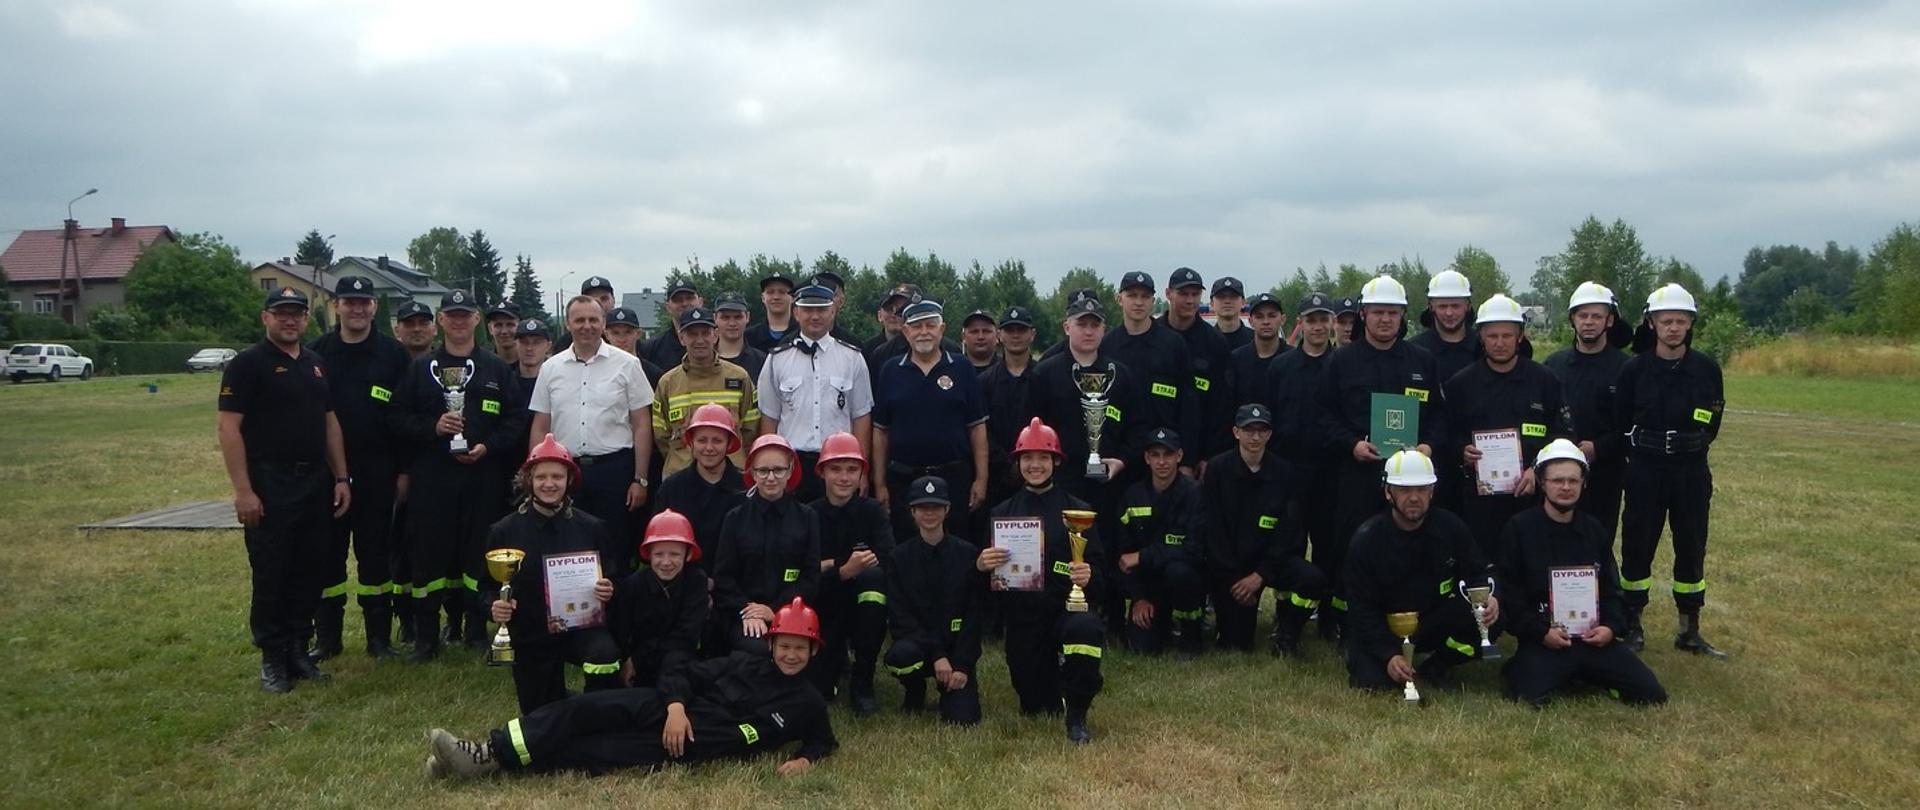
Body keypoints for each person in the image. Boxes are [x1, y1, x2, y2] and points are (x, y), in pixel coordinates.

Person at [424, 597, 836, 780]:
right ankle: (489, 750)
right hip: (663, 708)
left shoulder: (808, 702)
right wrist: (675, 707)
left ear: (814, 651)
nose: (791, 655)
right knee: (582, 711)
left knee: (591, 753)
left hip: (688, 745)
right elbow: (687, 675)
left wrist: (805, 760)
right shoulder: (745, 662)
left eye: (800, 648)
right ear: (771, 644)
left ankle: (483, 764)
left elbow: (823, 742)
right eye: (785, 646)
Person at [218, 287, 353, 692]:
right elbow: (228, 428)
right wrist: (244, 490)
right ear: (265, 318)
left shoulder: (314, 363)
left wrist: (342, 477)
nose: (290, 320)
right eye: (282, 313)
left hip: (314, 480)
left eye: (297, 313)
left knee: (309, 568)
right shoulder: (248, 364)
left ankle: (298, 648)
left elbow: (330, 424)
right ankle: (272, 658)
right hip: (270, 481)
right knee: (272, 571)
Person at [389, 288, 528, 660]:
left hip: (483, 476)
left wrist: (489, 446)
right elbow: (397, 418)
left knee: (478, 555)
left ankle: (476, 631)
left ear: (477, 319)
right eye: (452, 315)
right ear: (441, 321)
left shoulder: (496, 369)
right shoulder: (421, 370)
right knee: (429, 556)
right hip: (433, 477)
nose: (459, 321)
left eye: (466, 314)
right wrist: (432, 428)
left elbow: (516, 420)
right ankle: (427, 637)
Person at [1316, 275, 1445, 637]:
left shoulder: (1423, 361)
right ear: (1363, 315)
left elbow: (1439, 415)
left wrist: (1428, 448)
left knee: (1408, 548)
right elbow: (1324, 415)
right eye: (1377, 313)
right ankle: (1347, 624)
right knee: (1352, 546)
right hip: (1359, 473)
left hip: (1411, 480)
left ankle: (1404, 622)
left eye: (1392, 312)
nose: (1385, 319)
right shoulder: (1341, 362)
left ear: (1403, 315)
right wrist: (1351, 444)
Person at [1497, 440, 1668, 707]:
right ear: (1542, 483)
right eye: (1557, 480)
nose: (1566, 487)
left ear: (1583, 484)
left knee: (1651, 694)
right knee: (1524, 692)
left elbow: (1612, 590)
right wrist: (1540, 632)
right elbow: (1511, 594)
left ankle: (1586, 674)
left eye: (1573, 481)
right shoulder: (1519, 529)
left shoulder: (1594, 530)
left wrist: (1610, 628)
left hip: (1592, 641)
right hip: (1544, 641)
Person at [1615, 283, 1728, 659]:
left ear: (1690, 324)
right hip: (1646, 472)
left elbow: (1712, 419)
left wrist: (1692, 443)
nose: (1674, 328)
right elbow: (1621, 420)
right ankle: (1632, 625)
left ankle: (1689, 628)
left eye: (1681, 321)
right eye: (1667, 321)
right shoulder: (1634, 370)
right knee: (1637, 547)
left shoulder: (1706, 369)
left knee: (1692, 545)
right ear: (1652, 323)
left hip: (1690, 473)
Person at [980, 418, 1106, 743]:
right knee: (1036, 706)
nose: (1035, 465)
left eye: (1043, 458)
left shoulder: (1079, 511)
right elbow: (989, 588)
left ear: (1056, 462)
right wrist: (983, 565)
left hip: (1067, 610)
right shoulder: (1002, 514)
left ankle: (1077, 714)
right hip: (1025, 619)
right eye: (1027, 458)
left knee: (1085, 630)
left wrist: (1089, 574)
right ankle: (1055, 682)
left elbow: (1102, 572)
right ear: (1018, 462)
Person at [305, 276, 410, 662]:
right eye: (349, 302)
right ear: (336, 306)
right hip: (328, 473)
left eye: (364, 302)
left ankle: (379, 639)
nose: (357, 308)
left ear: (374, 308)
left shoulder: (392, 354)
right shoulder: (315, 354)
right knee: (326, 556)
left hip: (379, 470)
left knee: (375, 556)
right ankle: (328, 638)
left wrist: (403, 472)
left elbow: (404, 417)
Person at [487, 435, 623, 713]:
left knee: (604, 655)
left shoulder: (593, 528)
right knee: (542, 714)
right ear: (528, 481)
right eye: (541, 477)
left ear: (569, 481)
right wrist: (493, 607)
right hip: (531, 632)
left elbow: (615, 576)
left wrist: (610, 589)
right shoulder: (504, 531)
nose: (549, 484)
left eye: (557, 477)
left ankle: (599, 715)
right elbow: (482, 588)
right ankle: (563, 703)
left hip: (582, 629)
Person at [1344, 450, 1498, 696]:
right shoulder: (1366, 540)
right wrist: (1388, 655)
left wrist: (1491, 599)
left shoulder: (1451, 528)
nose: (1414, 498)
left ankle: (1438, 665)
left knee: (1490, 618)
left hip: (1429, 622)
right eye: (1405, 490)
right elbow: (1361, 608)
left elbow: (1477, 573)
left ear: (1432, 491)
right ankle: (1388, 660)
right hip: (1382, 626)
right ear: (1388, 492)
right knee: (1376, 685)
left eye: (1421, 489)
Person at [528, 296, 656, 578]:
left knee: (615, 548)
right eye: (579, 320)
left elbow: (642, 425)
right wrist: (534, 473)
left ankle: (615, 619)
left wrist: (640, 478)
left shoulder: (628, 364)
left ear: (603, 323)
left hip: (615, 471)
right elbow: (540, 424)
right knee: (565, 546)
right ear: (567, 323)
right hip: (565, 472)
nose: (587, 326)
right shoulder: (551, 368)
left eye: (593, 320)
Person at [1443, 294, 1574, 558]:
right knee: (1483, 561)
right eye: (1493, 336)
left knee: (1530, 560)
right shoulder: (1461, 384)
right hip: (1478, 500)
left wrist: (1537, 468)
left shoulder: (1545, 380)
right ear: (1481, 336)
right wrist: (1461, 449)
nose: (1500, 343)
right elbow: (1445, 432)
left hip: (1530, 495)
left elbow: (1563, 434)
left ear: (1520, 336)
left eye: (1507, 335)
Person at [1201, 404, 1328, 657]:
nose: (1255, 437)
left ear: (1270, 434)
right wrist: (1236, 579)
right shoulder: (1217, 470)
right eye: (1249, 430)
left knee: (1313, 579)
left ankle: (1287, 633)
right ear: (1236, 432)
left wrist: (1260, 575)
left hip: (1269, 564)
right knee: (1236, 643)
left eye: (1262, 430)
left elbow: (1289, 532)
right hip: (1231, 569)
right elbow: (1213, 532)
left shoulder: (1285, 473)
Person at [872, 298, 989, 538]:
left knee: (956, 547)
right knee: (906, 548)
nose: (923, 332)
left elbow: (977, 429)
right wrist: (880, 483)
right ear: (905, 331)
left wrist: (981, 479)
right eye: (916, 326)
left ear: (942, 329)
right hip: (904, 478)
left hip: (953, 477)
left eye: (930, 325)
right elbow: (881, 432)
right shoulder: (891, 370)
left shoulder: (962, 367)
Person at [755, 283, 873, 504]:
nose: (815, 316)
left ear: (832, 311)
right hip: (792, 463)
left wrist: (862, 470)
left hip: (839, 464)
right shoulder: (777, 359)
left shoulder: (853, 358)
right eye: (808, 310)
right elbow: (769, 418)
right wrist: (770, 464)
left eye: (821, 309)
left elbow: (861, 416)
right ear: (796, 313)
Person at [1266, 292, 1340, 641]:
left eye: (1324, 319)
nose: (1318, 326)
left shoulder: (1342, 364)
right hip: (1289, 471)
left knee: (1329, 545)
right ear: (1301, 323)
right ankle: (1287, 618)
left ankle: (1329, 617)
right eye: (1311, 320)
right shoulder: (1280, 367)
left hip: (1330, 472)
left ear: (1332, 323)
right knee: (1288, 546)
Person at [884, 476, 984, 725]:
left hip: (956, 649)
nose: (930, 514)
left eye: (936, 507)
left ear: (947, 509)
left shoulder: (968, 554)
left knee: (963, 720)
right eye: (923, 508)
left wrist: (961, 664)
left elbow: (974, 614)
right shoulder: (898, 558)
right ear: (912, 512)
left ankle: (950, 689)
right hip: (919, 647)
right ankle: (914, 689)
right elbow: (900, 617)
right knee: (901, 655)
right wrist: (937, 654)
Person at [712, 434, 823, 653]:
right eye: (763, 471)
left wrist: (775, 611)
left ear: (790, 471)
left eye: (778, 470)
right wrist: (747, 611)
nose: (771, 478)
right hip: (743, 614)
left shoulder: (807, 517)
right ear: (752, 473)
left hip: (793, 611)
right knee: (759, 651)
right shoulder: (735, 518)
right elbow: (723, 577)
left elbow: (811, 577)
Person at [807, 432, 893, 714]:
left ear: (861, 475)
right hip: (822, 606)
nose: (844, 477)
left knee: (874, 581)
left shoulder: (873, 512)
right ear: (822, 473)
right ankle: (834, 663)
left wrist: (830, 565)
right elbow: (805, 570)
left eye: (852, 470)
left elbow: (886, 558)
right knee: (821, 691)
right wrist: (844, 569)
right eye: (836, 469)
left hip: (863, 605)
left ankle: (863, 680)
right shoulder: (808, 515)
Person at [1541, 282, 1632, 544]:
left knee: (1597, 539)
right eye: (1583, 316)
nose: (1589, 322)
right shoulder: (1553, 366)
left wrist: (1599, 448)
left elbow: (1633, 425)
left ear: (1610, 320)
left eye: (1596, 316)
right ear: (1572, 319)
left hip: (1606, 472)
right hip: (1558, 473)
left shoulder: (1626, 369)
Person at [1115, 428, 1205, 656]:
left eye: (1168, 455)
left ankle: (1190, 629)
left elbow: (1194, 549)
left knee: (1179, 572)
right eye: (1155, 455)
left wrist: (1144, 556)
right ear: (1146, 458)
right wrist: (1138, 598)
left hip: (1183, 580)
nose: (1162, 462)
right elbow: (1124, 555)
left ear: (1180, 456)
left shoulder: (1195, 494)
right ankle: (1161, 624)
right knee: (1142, 648)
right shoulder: (1132, 496)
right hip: (1148, 585)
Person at [1102, 272, 1199, 470]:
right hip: (1119, 459)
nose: (1139, 302)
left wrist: (1187, 461)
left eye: (1145, 297)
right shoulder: (1106, 346)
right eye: (1132, 296)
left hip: (1164, 456)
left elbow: (1189, 407)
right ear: (1119, 299)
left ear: (1153, 301)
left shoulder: (1173, 344)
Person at [652, 306, 759, 478]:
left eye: (705, 333)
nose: (700, 340)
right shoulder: (668, 383)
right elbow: (661, 435)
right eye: (692, 334)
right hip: (681, 474)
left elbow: (750, 428)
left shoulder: (739, 377)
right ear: (681, 338)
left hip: (732, 475)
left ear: (715, 335)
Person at [609, 510, 710, 689]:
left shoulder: (696, 581)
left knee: (675, 664)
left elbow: (686, 635)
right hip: (640, 662)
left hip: (678, 659)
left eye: (674, 554)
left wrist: (637, 659)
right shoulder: (633, 585)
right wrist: (627, 660)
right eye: (659, 554)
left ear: (688, 555)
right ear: (648, 555)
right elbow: (620, 631)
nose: (666, 562)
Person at [1411, 269, 1479, 517]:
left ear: (1468, 306)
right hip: (1429, 456)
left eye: (1456, 305)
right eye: (1442, 306)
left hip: (1477, 457)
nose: (1449, 313)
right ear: (1431, 307)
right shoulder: (1415, 351)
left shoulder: (1483, 348)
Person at [651, 404, 747, 574]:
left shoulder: (747, 488)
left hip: (737, 583)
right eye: (702, 440)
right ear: (691, 443)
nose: (709, 448)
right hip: (684, 583)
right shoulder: (672, 489)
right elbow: (660, 546)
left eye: (717, 440)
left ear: (729, 443)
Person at [390, 299, 436, 644]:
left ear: (434, 328)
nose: (417, 328)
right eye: (409, 323)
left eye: (423, 323)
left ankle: (440, 620)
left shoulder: (446, 365)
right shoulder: (386, 362)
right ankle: (405, 618)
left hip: (433, 471)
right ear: (397, 329)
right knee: (398, 549)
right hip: (390, 471)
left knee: (428, 549)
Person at [1160, 267, 1235, 462]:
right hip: (1156, 451)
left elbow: (1221, 407)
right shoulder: (1153, 336)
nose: (1190, 300)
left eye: (1195, 294)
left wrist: (1207, 457)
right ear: (1168, 293)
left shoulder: (1215, 343)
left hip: (1201, 449)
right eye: (1183, 294)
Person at [979, 305, 1038, 514]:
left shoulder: (1044, 377)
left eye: (1021, 330)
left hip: (1037, 472)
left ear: (1032, 334)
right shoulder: (984, 382)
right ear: (999, 335)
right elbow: (982, 430)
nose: (1015, 336)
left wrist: (1029, 461)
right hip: (997, 476)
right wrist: (1008, 464)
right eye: (1009, 330)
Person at [1228, 292, 1287, 407]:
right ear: (1251, 321)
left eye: (1272, 315)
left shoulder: (1295, 360)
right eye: (1259, 317)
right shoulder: (1236, 360)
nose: (1266, 322)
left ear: (1283, 319)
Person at [642, 281, 703, 369]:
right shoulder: (651, 349)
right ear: (668, 307)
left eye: (689, 298)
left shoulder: (715, 342)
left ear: (700, 302)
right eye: (677, 300)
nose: (684, 303)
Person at [713, 291, 767, 381]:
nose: (732, 323)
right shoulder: (703, 360)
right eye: (725, 317)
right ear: (715, 318)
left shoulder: (762, 361)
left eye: (738, 317)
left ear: (747, 317)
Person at [744, 270, 797, 351]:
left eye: (782, 292)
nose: (776, 297)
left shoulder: (803, 333)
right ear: (763, 298)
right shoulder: (748, 337)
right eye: (770, 292)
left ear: (793, 297)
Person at [510, 317, 551, 409]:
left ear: (548, 346)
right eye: (524, 342)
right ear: (515, 344)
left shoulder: (554, 381)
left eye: (537, 343)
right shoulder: (506, 382)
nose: (529, 348)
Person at [1210, 275, 1253, 351]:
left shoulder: (1256, 340)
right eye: (1221, 297)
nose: (1227, 301)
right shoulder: (1203, 341)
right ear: (1212, 303)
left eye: (1233, 296)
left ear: (1243, 302)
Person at [959, 309, 1000, 373]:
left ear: (997, 336)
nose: (980, 337)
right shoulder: (953, 370)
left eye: (986, 331)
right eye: (974, 332)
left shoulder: (1008, 370)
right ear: (963, 337)